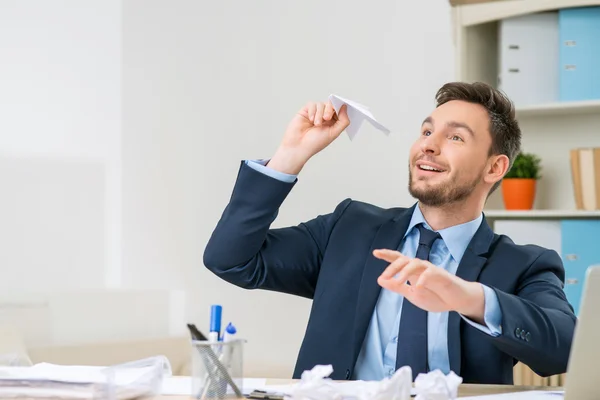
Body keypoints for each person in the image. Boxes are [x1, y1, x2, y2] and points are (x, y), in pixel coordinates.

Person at [203, 82, 576, 384]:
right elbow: (231, 260)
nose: (428, 144)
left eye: (455, 138)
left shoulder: (524, 265)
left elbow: (565, 347)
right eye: (427, 130)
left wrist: (468, 298)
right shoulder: (349, 228)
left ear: (494, 168)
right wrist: (289, 156)